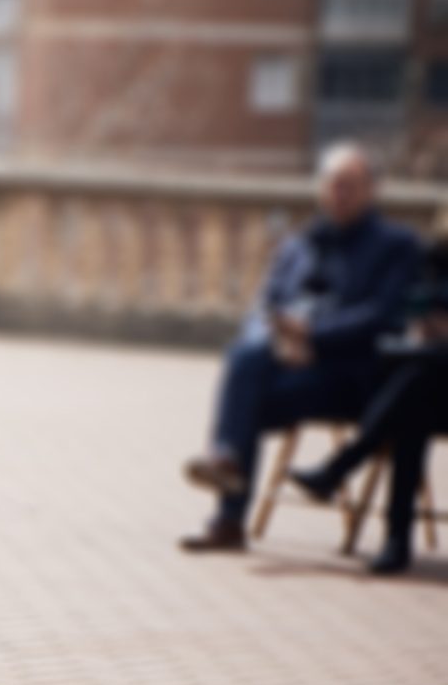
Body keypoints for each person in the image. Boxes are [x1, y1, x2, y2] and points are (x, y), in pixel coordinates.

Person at [180, 143, 420, 552]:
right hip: (291, 368)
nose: (339, 194)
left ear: (371, 190)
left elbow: (383, 315)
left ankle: (228, 506)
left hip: (354, 377)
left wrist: (313, 335)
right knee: (246, 358)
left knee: (243, 388)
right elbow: (264, 306)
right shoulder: (299, 243)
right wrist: (278, 338)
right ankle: (229, 494)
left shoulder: (396, 246)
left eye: (350, 185)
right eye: (332, 184)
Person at [290, 220, 448, 576]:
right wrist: (425, 322)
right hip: (437, 389)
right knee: (415, 400)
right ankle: (393, 537)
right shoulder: (437, 254)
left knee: (418, 385)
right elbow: (411, 302)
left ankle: (343, 467)